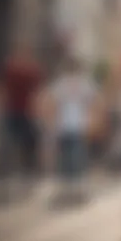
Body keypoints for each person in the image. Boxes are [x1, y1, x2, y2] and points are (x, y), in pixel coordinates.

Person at [46, 58, 99, 202]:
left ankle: (71, 187)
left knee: (72, 155)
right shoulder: (78, 84)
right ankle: (73, 187)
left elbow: (93, 103)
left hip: (71, 125)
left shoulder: (65, 84)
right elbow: (53, 104)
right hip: (71, 125)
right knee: (72, 155)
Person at [0, 45, 43, 199]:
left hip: (26, 113)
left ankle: (24, 179)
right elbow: (2, 89)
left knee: (25, 147)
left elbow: (37, 92)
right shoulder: (15, 69)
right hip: (13, 112)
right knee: (8, 147)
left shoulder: (30, 70)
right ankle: (5, 181)